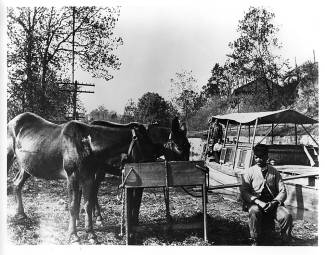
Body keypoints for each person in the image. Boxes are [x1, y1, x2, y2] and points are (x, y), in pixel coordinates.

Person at [240, 144, 293, 245]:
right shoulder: (249, 172)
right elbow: (244, 192)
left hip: (273, 204)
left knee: (287, 215)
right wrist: (258, 201)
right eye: (256, 157)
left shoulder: (274, 172)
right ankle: (254, 239)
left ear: (266, 157)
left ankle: (285, 240)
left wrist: (274, 202)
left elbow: (283, 191)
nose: (258, 159)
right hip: (256, 203)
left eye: (261, 157)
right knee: (254, 211)